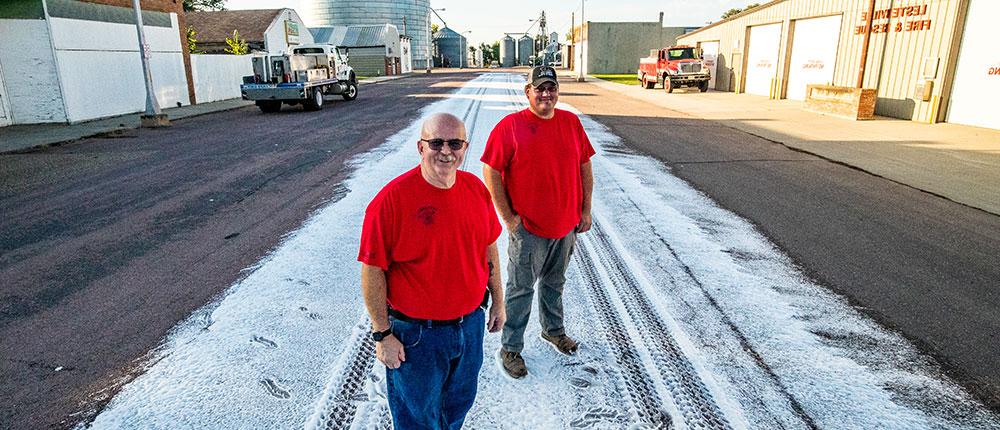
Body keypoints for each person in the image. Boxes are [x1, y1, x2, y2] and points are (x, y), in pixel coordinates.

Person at [359, 113, 505, 429]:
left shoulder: (476, 189)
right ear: (420, 147)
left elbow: (489, 246)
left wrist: (499, 301)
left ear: (465, 146)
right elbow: (372, 270)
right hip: (416, 337)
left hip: (469, 327)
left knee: (457, 408)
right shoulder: (390, 201)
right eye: (436, 142)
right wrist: (383, 334)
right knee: (417, 418)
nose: (445, 151)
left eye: (454, 143)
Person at [481, 66, 595, 379]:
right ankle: (511, 347)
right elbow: (490, 171)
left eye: (551, 88)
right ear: (528, 92)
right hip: (528, 229)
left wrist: (585, 210)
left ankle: (553, 330)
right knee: (520, 290)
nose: (546, 94)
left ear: (557, 91)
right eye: (539, 88)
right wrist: (509, 218)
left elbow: (585, 166)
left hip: (566, 226)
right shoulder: (511, 126)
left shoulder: (571, 123)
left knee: (554, 284)